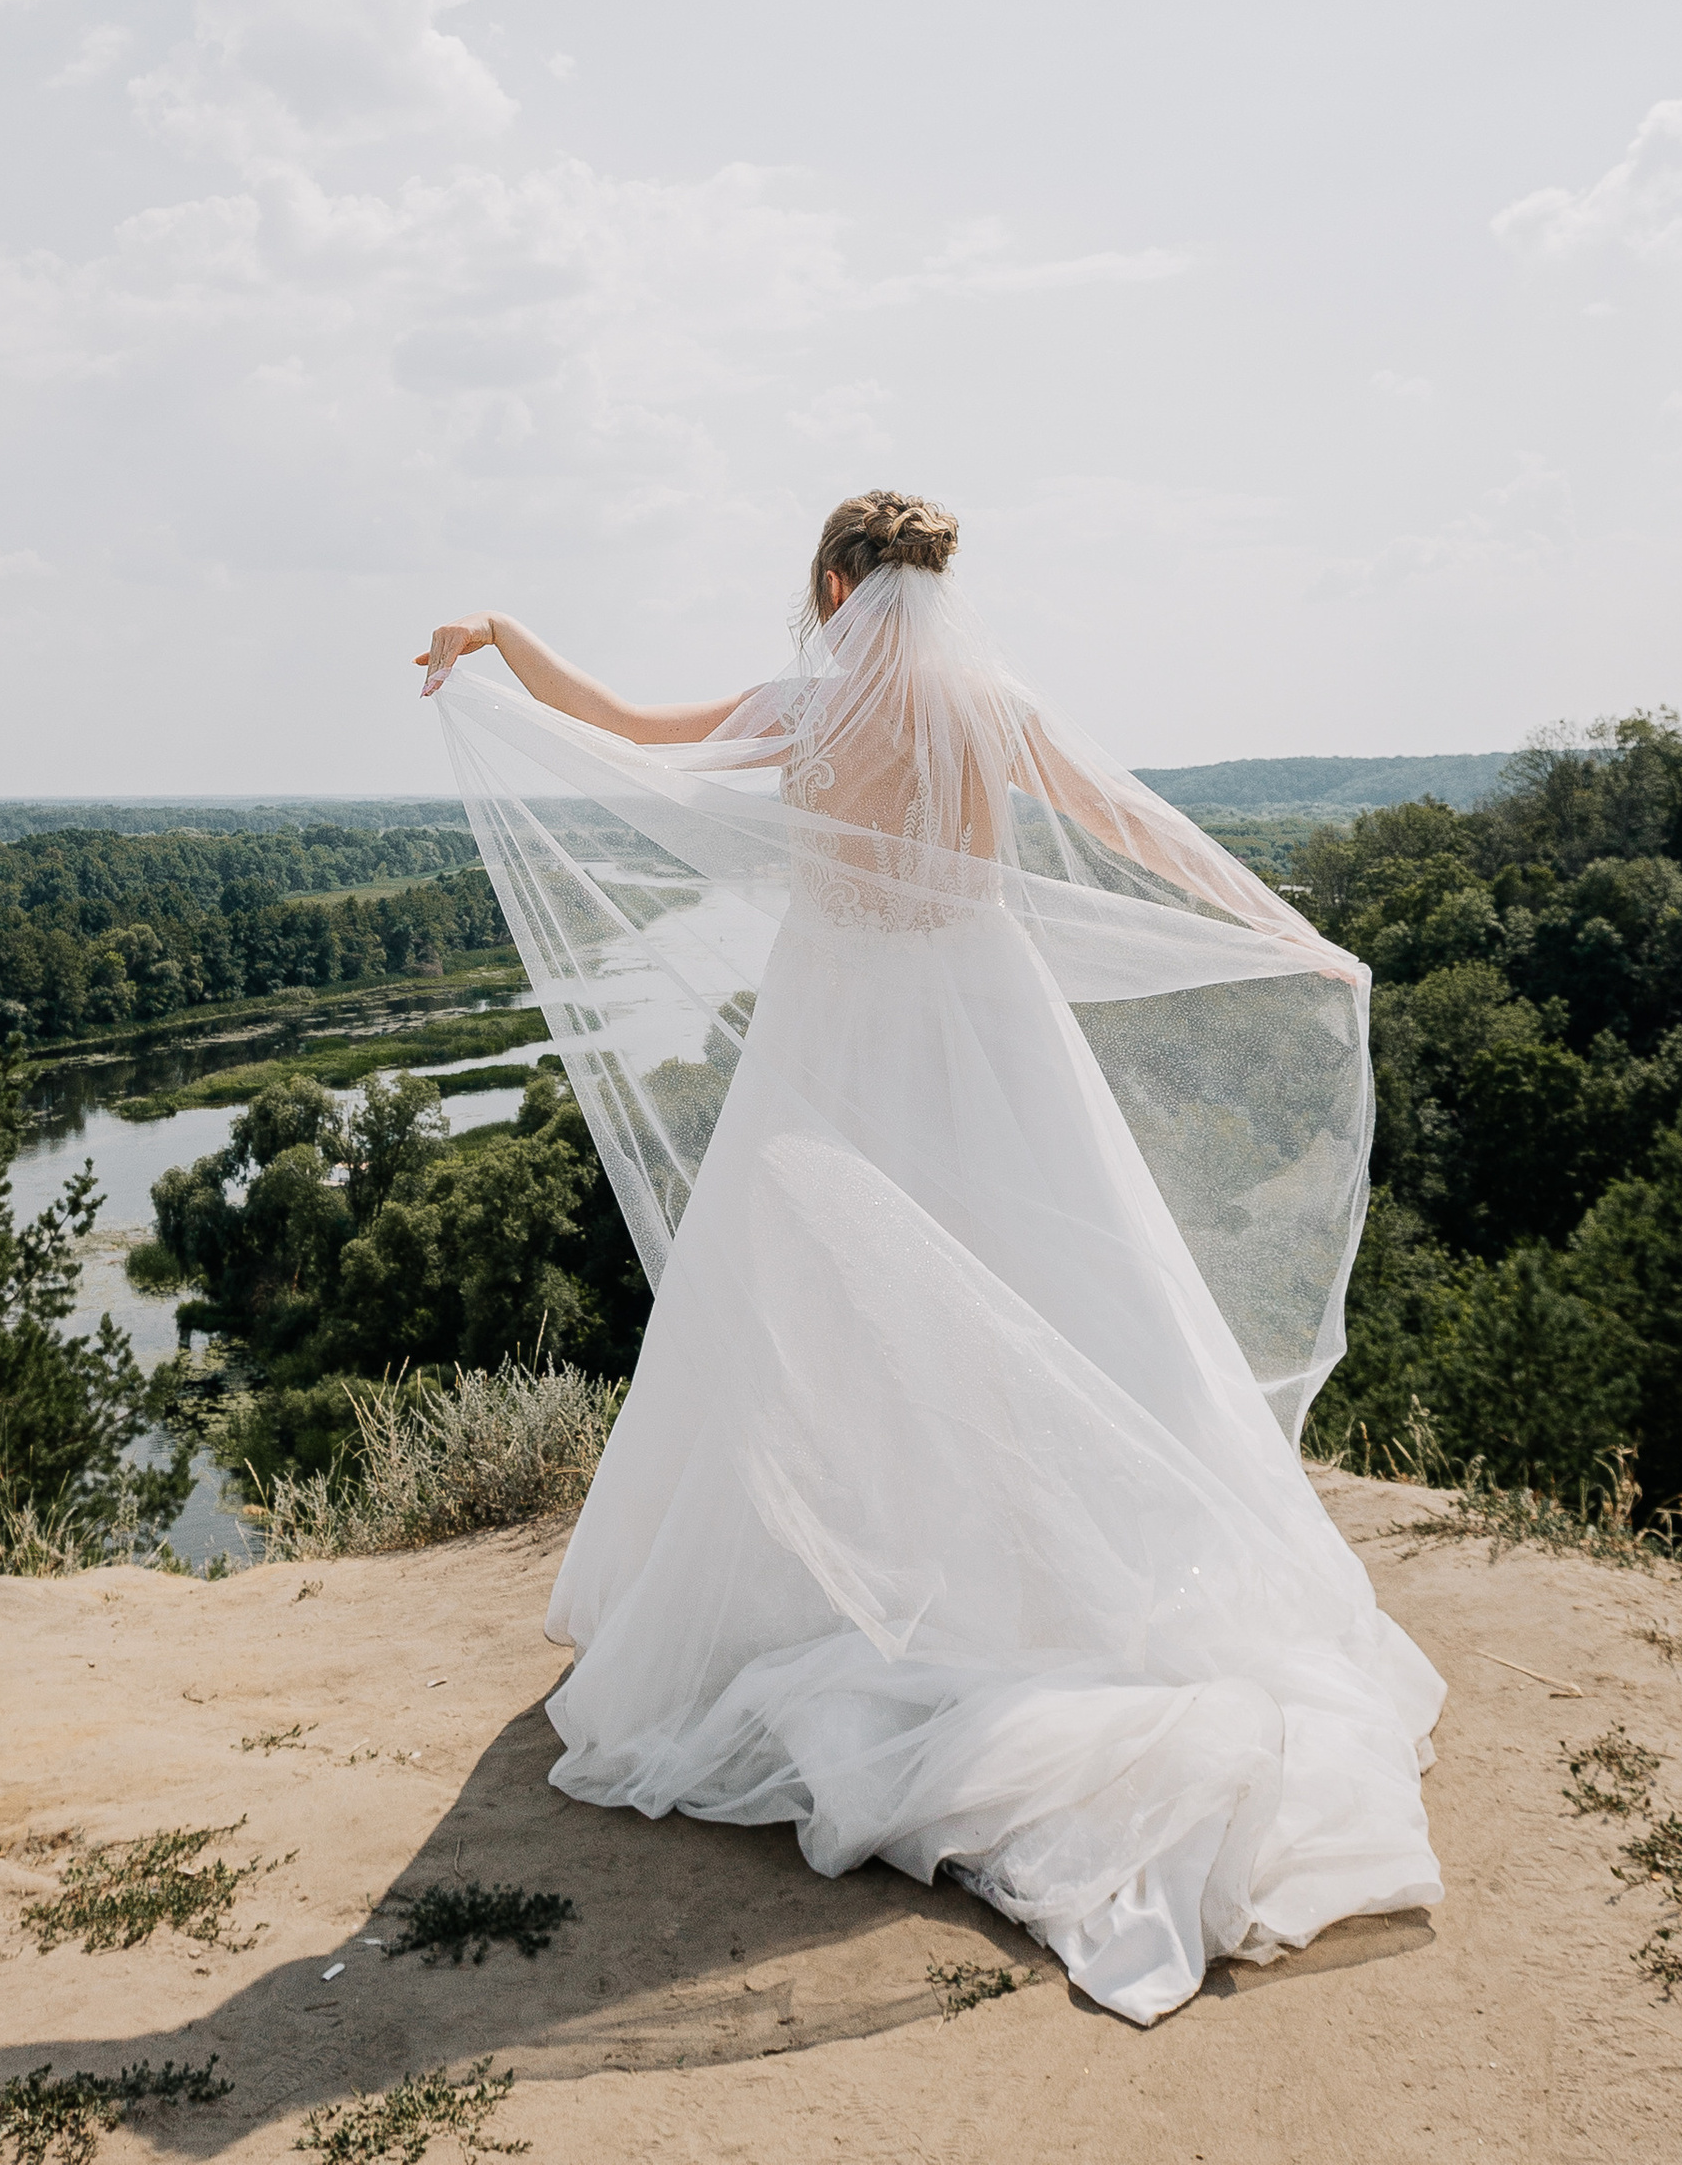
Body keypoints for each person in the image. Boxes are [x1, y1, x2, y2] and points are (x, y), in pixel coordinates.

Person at [417, 489, 1442, 2023]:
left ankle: (844, 1594)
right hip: (987, 1024)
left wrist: (502, 635)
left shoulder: (813, 701)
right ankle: (1043, 1580)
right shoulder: (990, 701)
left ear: (836, 579)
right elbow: (1135, 826)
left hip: (836, 1037)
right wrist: (1288, 928)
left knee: (810, 1326)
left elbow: (630, 730)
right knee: (1069, 1293)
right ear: (932, 587)